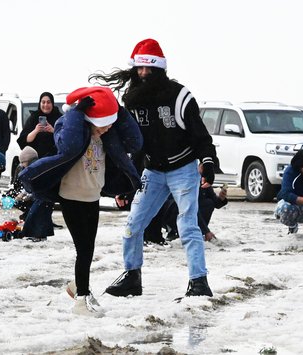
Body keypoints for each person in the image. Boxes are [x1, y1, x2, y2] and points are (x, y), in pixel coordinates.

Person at [90, 38, 218, 298]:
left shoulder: (180, 96)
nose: (144, 74)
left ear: (160, 70)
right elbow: (133, 145)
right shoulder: (132, 100)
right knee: (132, 225)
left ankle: (199, 283)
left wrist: (207, 162)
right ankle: (132, 277)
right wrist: (127, 182)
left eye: (150, 69)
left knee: (188, 225)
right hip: (153, 171)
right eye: (140, 69)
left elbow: (201, 136)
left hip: (183, 169)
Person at [19, 86, 143, 316]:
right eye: (104, 123)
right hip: (72, 197)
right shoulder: (73, 132)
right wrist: (77, 111)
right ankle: (80, 300)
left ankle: (78, 286)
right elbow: (69, 145)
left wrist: (119, 110)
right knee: (84, 249)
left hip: (92, 197)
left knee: (88, 248)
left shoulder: (108, 138)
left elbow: (135, 142)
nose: (107, 127)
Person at [17, 92, 62, 242]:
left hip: (54, 163)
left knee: (45, 197)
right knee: (42, 197)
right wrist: (36, 130)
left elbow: (66, 140)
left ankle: (37, 231)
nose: (46, 105)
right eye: (43, 102)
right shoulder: (33, 118)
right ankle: (37, 231)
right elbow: (24, 141)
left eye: (48, 102)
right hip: (36, 163)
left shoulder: (59, 118)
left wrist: (53, 130)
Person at [8, 146, 38, 222]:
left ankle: (28, 217)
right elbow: (28, 187)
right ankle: (26, 215)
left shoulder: (35, 169)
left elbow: (36, 188)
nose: (21, 165)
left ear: (29, 161)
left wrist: (28, 196)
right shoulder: (26, 168)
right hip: (32, 194)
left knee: (33, 203)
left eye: (22, 162)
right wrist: (22, 194)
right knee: (12, 196)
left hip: (39, 197)